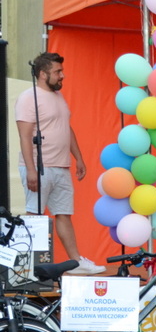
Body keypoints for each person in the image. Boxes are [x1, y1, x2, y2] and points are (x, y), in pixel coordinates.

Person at [15, 52, 105, 274]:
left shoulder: (58, 98)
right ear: (43, 74)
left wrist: (79, 158)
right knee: (35, 215)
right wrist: (31, 169)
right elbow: (25, 136)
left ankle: (76, 263)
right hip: (40, 166)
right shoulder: (29, 97)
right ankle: (27, 267)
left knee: (64, 214)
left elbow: (66, 128)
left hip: (61, 166)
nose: (62, 75)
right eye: (57, 72)